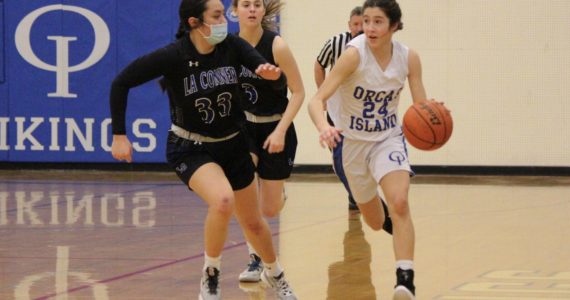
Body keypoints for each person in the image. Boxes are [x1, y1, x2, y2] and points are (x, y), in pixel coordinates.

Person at [109, 0, 296, 299]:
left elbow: (275, 83)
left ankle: (276, 273)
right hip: (190, 146)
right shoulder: (173, 56)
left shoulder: (232, 46)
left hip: (234, 143)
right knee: (222, 201)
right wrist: (119, 134)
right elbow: (121, 82)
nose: (225, 20)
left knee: (253, 223)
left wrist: (274, 78)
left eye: (224, 13)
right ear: (196, 22)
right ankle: (211, 273)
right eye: (218, 15)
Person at [308, 0, 425, 298]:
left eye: (378, 22)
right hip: (353, 145)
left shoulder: (408, 58)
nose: (369, 28)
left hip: (388, 138)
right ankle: (385, 219)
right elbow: (316, 100)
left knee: (399, 202)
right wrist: (324, 127)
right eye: (367, 21)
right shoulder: (352, 56)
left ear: (394, 26)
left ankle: (405, 279)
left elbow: (422, 106)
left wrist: (434, 115)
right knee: (374, 222)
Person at [230, 0, 305, 288]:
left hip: (275, 125)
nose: (251, 9)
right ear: (235, 10)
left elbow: (298, 92)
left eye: (257, 4)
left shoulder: (276, 46)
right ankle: (255, 257)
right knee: (243, 190)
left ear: (263, 11)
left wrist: (281, 131)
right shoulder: (228, 47)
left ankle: (278, 191)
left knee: (270, 209)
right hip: (244, 128)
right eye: (245, 4)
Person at [314, 6, 363, 211]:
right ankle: (355, 195)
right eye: (356, 24)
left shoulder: (375, 46)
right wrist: (322, 94)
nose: (360, 28)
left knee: (359, 156)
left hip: (361, 108)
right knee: (340, 158)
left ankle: (362, 192)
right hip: (338, 108)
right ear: (349, 25)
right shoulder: (336, 43)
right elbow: (319, 65)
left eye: (363, 23)